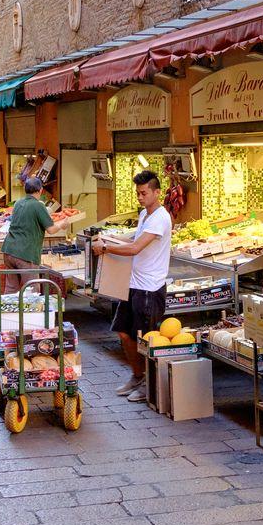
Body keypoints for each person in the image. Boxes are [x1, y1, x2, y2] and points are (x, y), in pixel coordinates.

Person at [92, 170, 171, 403]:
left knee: (146, 338)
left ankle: (150, 384)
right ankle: (137, 376)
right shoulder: (145, 215)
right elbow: (132, 241)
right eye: (137, 193)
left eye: (144, 193)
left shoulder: (160, 218)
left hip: (150, 288)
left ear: (157, 192)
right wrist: (109, 240)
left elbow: (136, 248)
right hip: (133, 283)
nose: (140, 196)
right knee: (124, 333)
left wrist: (106, 249)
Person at [0, 177, 71, 294]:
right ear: (40, 190)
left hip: (9, 250)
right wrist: (62, 224)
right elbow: (51, 230)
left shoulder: (18, 203)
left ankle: (8, 311)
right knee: (32, 290)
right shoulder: (38, 206)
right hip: (25, 253)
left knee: (11, 288)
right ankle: (32, 313)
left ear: (25, 189)